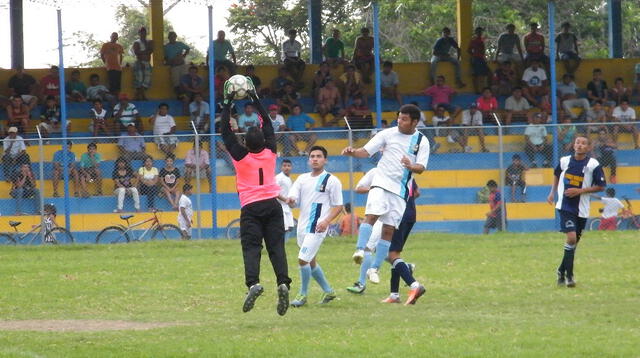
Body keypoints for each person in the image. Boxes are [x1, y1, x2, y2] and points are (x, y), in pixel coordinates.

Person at [342, 104, 429, 305]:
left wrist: (410, 165)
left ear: (415, 122)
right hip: (381, 184)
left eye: (404, 119)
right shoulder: (387, 134)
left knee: (388, 231)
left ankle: (374, 269)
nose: (399, 121)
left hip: (400, 192)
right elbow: (366, 151)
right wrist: (353, 151)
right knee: (371, 216)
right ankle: (359, 250)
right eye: (399, 118)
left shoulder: (422, 141)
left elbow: (421, 168)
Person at [220, 86, 291, 316]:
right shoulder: (271, 152)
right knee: (276, 247)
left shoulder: (241, 157)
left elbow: (225, 132)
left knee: (251, 248)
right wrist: (256, 99)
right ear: (263, 140)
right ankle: (283, 282)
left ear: (246, 143)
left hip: (251, 207)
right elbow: (269, 126)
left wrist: (228, 104)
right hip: (272, 205)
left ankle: (253, 284)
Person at [286, 146, 343, 307]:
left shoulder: (331, 180)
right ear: (308, 159)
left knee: (302, 259)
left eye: (319, 156)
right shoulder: (302, 179)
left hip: (317, 227)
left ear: (325, 160)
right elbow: (293, 198)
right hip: (302, 227)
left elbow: (338, 206)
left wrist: (326, 221)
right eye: (312, 156)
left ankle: (302, 295)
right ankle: (328, 290)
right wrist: (290, 200)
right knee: (310, 261)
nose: (315, 159)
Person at [546, 135, 606, 287]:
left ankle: (561, 271)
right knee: (571, 238)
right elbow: (556, 173)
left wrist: (579, 191)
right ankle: (569, 277)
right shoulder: (564, 161)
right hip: (565, 206)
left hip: (582, 209)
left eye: (583, 143)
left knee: (573, 243)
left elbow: (601, 186)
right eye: (578, 142)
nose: (580, 145)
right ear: (574, 145)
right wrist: (552, 192)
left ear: (589, 147)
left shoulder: (593, 164)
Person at [164, 31, 191, 95]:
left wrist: (184, 55)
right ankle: (179, 96)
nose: (172, 38)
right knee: (176, 84)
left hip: (182, 65)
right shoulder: (166, 47)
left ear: (176, 37)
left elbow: (188, 48)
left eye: (174, 36)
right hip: (174, 66)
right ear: (168, 37)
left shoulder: (180, 44)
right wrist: (170, 61)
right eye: (171, 36)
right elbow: (165, 57)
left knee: (185, 81)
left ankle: (186, 96)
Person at [132, 27, 153, 101]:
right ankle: (141, 96)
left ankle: (138, 95)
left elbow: (150, 50)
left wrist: (142, 52)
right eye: (141, 32)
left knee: (147, 80)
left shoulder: (149, 42)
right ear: (139, 33)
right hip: (139, 62)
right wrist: (145, 52)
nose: (143, 34)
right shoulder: (136, 42)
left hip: (147, 62)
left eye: (144, 32)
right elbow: (136, 52)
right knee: (139, 79)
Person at [468, 27, 491, 94]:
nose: (480, 33)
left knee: (487, 74)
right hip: (476, 59)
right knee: (477, 75)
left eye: (481, 32)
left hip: (481, 59)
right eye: (478, 32)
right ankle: (477, 91)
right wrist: (474, 56)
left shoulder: (481, 40)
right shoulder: (474, 40)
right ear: (476, 32)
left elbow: (483, 51)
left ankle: (485, 90)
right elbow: (469, 50)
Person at [276, 160, 294, 232]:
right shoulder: (279, 178)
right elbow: (274, 193)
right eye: (284, 166)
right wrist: (285, 200)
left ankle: (284, 243)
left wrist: (291, 201)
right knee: (284, 228)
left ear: (291, 167)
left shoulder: (289, 179)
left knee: (290, 227)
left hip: (287, 206)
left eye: (288, 166)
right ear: (281, 167)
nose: (286, 167)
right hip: (279, 206)